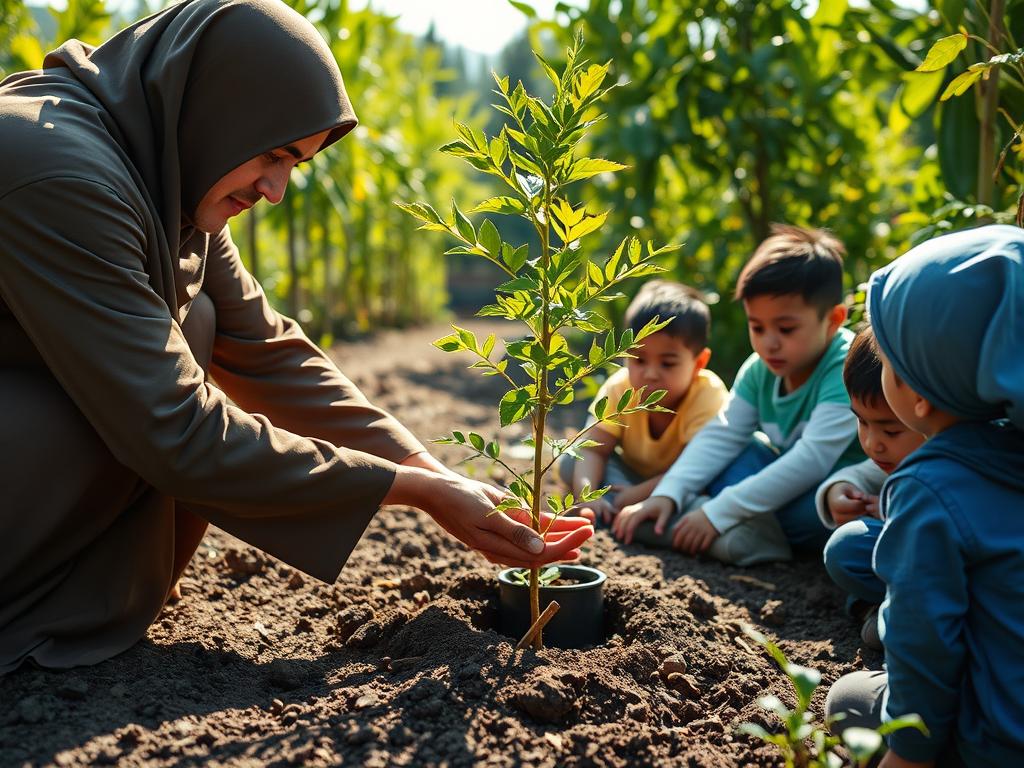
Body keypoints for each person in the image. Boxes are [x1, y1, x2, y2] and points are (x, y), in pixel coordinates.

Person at [0, 0, 592, 674]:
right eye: (273, 156)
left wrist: (431, 472)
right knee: (132, 392)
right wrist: (406, 489)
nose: (277, 191)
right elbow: (174, 430)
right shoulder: (60, 174)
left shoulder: (164, 168)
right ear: (219, 108)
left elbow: (268, 349)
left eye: (297, 164)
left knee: (197, 322)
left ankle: (75, 594)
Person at [825, 224, 1024, 767]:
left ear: (915, 394)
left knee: (847, 699)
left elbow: (924, 643)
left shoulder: (929, 485)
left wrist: (908, 756)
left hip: (995, 742)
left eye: (887, 360)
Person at [613, 224, 862, 564]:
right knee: (735, 451)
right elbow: (721, 434)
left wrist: (717, 513)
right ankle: (717, 524)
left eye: (786, 329)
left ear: (833, 320)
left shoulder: (845, 365)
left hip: (830, 499)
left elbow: (812, 459)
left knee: (825, 512)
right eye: (757, 327)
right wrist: (668, 494)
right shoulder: (760, 368)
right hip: (782, 496)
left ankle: (732, 530)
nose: (768, 342)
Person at [561, 280, 727, 525]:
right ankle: (610, 512)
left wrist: (635, 496)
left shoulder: (708, 395)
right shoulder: (620, 387)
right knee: (570, 460)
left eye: (667, 363)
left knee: (705, 494)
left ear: (699, 363)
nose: (650, 373)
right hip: (626, 477)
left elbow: (693, 470)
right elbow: (593, 448)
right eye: (638, 360)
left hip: (679, 484)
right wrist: (588, 494)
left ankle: (624, 514)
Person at [815, 327, 924, 649]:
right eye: (862, 422)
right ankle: (877, 607)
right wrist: (841, 487)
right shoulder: (899, 454)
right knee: (848, 548)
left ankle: (897, 615)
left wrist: (893, 510)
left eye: (891, 431)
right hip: (910, 565)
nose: (872, 444)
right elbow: (867, 473)